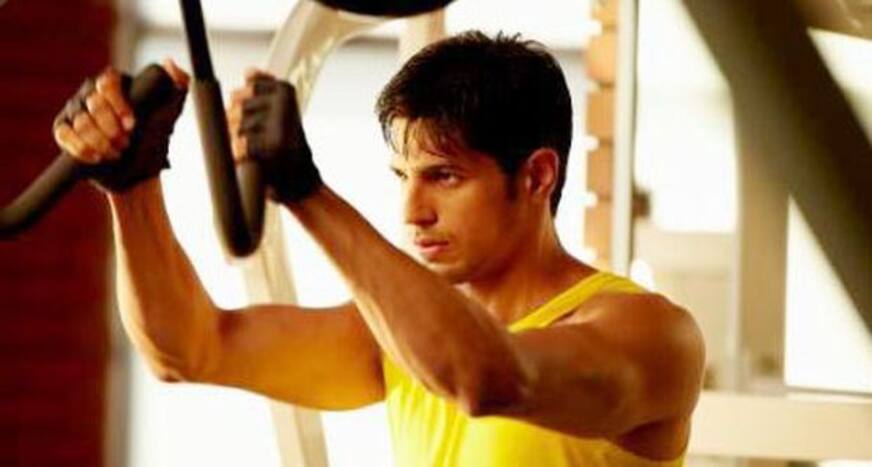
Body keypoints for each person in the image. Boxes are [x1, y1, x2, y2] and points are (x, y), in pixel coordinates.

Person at [53, 31, 705, 466]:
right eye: (403, 177)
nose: (413, 211)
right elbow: (188, 347)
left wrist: (308, 192)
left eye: (444, 177)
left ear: (536, 176)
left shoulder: (651, 335)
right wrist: (132, 188)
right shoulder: (403, 337)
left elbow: (489, 378)